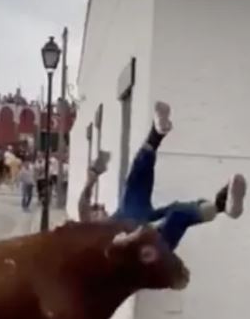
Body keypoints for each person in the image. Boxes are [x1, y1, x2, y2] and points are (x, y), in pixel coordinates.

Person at [79, 101, 245, 251]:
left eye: (97, 206)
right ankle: (220, 206)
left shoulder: (121, 215)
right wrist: (90, 180)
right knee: (173, 216)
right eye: (96, 209)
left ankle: (223, 206)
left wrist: (92, 178)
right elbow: (83, 207)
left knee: (145, 195)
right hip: (147, 251)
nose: (101, 205)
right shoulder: (98, 238)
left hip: (139, 223)